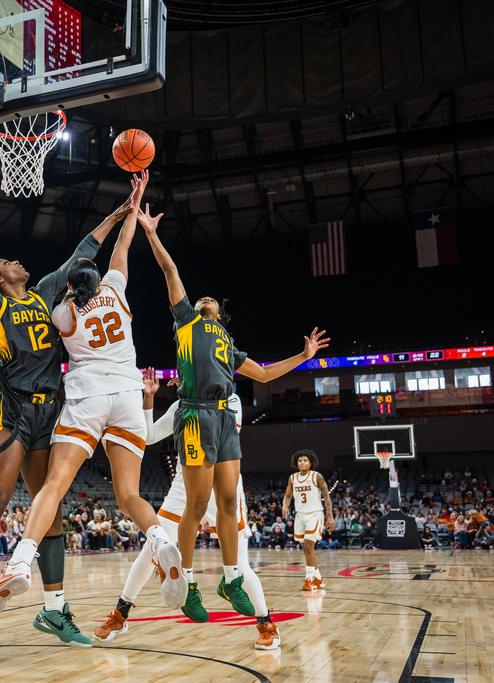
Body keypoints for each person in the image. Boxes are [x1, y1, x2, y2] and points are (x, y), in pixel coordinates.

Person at [0, 176, 132, 648]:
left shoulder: (45, 290)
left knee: (54, 513)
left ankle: (54, 611)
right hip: (12, 410)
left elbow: (85, 251)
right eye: (6, 261)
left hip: (50, 411)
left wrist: (121, 212)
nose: (16, 260)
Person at [0, 171, 187, 622]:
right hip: (130, 398)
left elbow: (69, 276)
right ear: (99, 279)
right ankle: (161, 541)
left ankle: (20, 561)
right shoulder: (115, 289)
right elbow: (122, 248)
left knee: (54, 487)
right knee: (130, 495)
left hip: (87, 400)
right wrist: (134, 206)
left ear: (70, 285)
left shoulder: (60, 312)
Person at [138, 201, 328, 641]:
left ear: (221, 314)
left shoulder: (228, 342)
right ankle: (184, 582)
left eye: (211, 300)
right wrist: (151, 234)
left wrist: (302, 357)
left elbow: (262, 374)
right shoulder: (186, 322)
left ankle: (229, 578)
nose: (203, 298)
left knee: (228, 504)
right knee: (197, 506)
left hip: (224, 418)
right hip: (195, 415)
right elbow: (171, 274)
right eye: (201, 296)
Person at [93, 371, 278, 650]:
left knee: (241, 564)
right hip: (184, 483)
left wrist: (194, 392)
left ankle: (266, 623)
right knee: (151, 550)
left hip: (222, 486)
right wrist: (149, 398)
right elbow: (151, 435)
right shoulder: (181, 405)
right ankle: (120, 615)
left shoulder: (233, 400)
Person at [282, 449, 336, 591]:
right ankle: (317, 578)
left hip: (314, 514)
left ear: (311, 462)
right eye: (300, 460)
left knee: (308, 545)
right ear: (296, 462)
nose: (302, 462)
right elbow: (288, 496)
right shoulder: (292, 478)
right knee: (305, 548)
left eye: (305, 460)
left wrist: (330, 516)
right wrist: (285, 506)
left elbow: (327, 497)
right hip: (300, 515)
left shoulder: (317, 476)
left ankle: (308, 580)